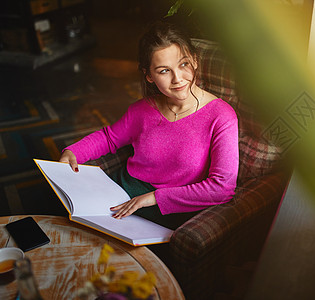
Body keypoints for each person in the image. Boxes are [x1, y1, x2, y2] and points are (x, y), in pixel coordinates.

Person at [59, 21, 239, 230]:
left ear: (195, 61)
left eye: (183, 64)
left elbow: (222, 188)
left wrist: (153, 198)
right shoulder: (142, 109)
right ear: (149, 76)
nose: (178, 78)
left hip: (170, 209)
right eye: (164, 71)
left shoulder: (221, 116)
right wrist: (73, 151)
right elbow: (109, 138)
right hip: (120, 191)